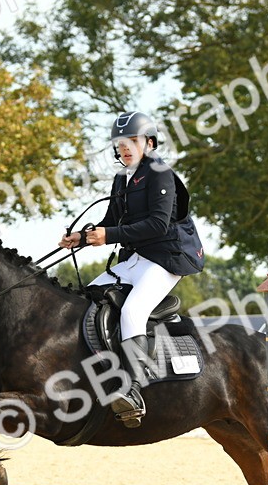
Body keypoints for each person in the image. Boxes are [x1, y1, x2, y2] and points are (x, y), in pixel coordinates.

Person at [58, 111, 193, 428]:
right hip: (133, 260)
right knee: (85, 301)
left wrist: (110, 236)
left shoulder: (160, 173)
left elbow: (159, 224)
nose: (125, 148)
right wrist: (82, 238)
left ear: (148, 142)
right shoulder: (122, 179)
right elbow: (111, 224)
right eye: (120, 144)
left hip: (166, 258)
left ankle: (132, 389)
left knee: (132, 312)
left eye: (132, 141)